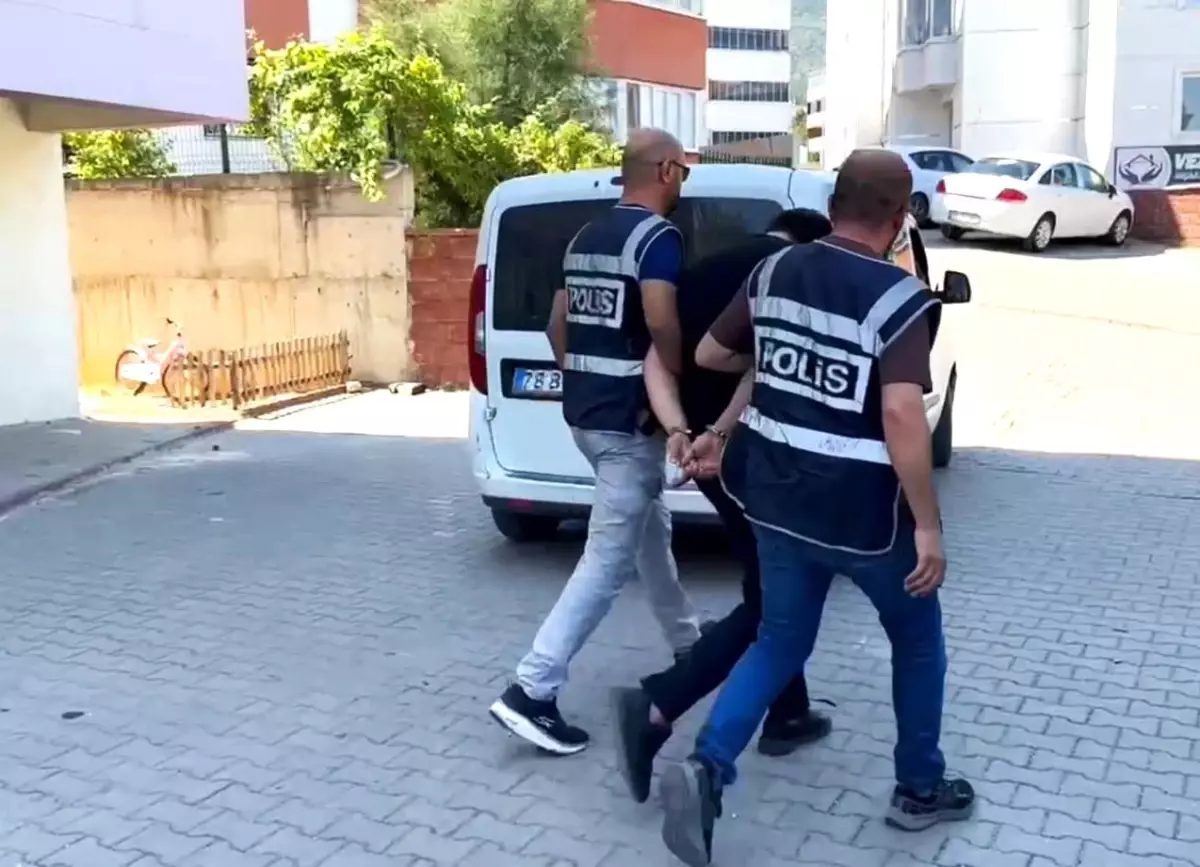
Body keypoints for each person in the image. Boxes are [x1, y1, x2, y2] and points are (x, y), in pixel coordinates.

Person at [658, 149, 975, 867]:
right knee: (917, 641)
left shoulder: (773, 271)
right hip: (865, 518)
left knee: (780, 639)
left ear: (833, 205)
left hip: (774, 502)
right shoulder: (899, 298)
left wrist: (782, 360)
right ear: (900, 219)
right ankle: (919, 788)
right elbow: (902, 413)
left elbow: (710, 354)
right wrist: (928, 524)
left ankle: (707, 765)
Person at [609, 209, 835, 805]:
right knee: (774, 599)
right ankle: (659, 702)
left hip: (702, 452)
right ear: (811, 244)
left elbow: (657, 360)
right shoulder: (787, 273)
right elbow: (764, 369)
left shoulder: (705, 270)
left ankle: (788, 711)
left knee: (771, 583)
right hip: (749, 456)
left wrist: (680, 431)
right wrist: (721, 432)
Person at [489, 128, 702, 756]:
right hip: (627, 424)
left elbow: (558, 324)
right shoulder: (657, 238)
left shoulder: (584, 236)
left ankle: (689, 644)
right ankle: (532, 690)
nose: (682, 183)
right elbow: (661, 319)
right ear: (666, 170)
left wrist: (585, 376)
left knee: (650, 535)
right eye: (683, 171)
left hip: (586, 417)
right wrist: (677, 385)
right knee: (607, 561)